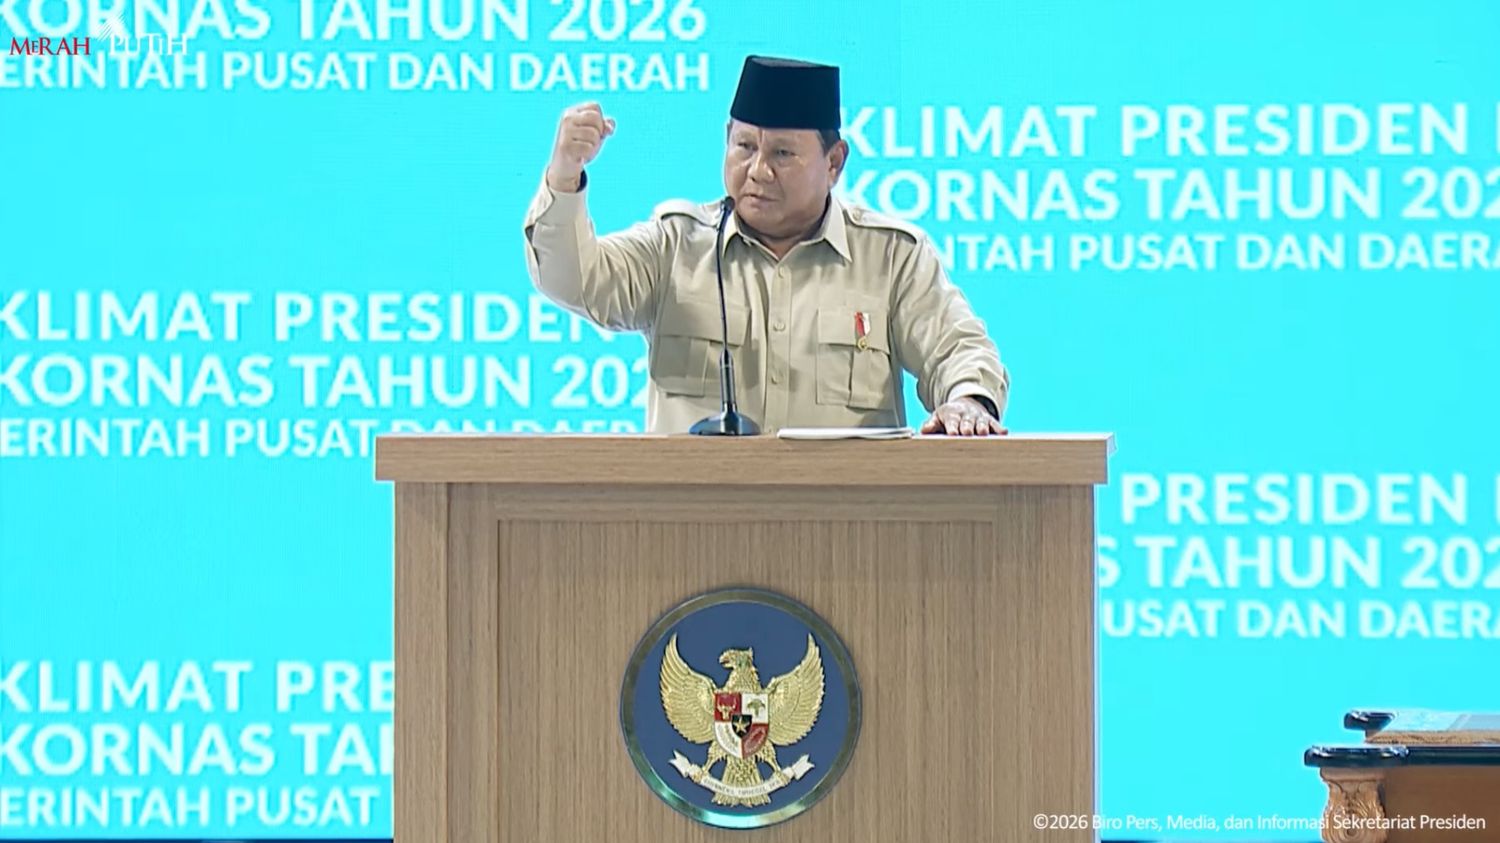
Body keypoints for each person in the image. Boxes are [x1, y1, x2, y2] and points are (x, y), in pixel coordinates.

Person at [523, 55, 1010, 436]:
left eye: (782, 153)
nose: (758, 170)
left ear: (834, 163)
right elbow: (576, 281)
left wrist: (968, 400)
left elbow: (958, 348)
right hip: (692, 521)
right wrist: (565, 176)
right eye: (744, 147)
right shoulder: (676, 244)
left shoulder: (890, 257)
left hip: (846, 524)